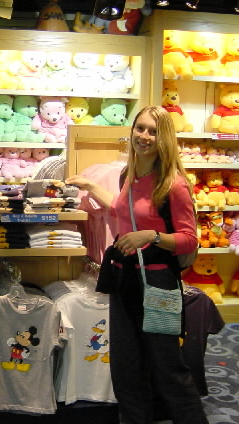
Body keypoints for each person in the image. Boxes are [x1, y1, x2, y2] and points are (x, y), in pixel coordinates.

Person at [65, 106, 207, 424]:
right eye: (140, 128)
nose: (144, 136)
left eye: (153, 131)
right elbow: (121, 208)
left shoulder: (174, 185)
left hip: (158, 285)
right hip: (126, 280)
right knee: (126, 367)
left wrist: (151, 236)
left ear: (165, 138)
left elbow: (188, 240)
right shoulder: (129, 175)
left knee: (167, 367)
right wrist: (90, 187)